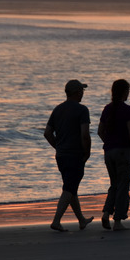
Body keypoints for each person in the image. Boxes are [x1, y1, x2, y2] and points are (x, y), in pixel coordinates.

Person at [44, 80, 93, 232]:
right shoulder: (82, 110)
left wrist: (58, 147)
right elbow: (85, 134)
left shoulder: (57, 109)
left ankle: (81, 220)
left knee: (71, 188)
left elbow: (47, 133)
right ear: (78, 92)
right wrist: (87, 152)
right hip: (75, 154)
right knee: (69, 188)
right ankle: (56, 221)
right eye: (82, 91)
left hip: (61, 156)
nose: (83, 93)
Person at [98, 79, 130, 231]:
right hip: (123, 151)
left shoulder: (107, 109)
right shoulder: (128, 110)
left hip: (109, 152)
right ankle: (118, 221)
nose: (129, 93)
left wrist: (108, 143)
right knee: (122, 186)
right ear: (124, 92)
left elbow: (100, 131)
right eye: (128, 90)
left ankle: (106, 213)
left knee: (114, 184)